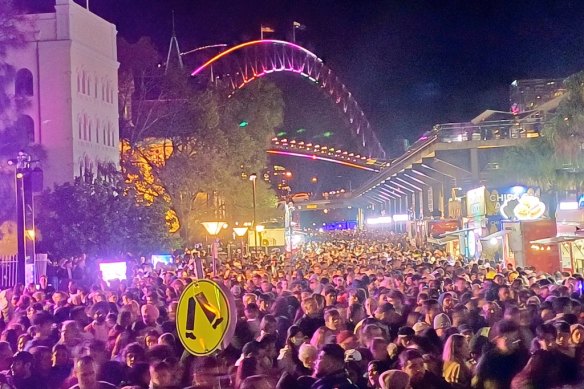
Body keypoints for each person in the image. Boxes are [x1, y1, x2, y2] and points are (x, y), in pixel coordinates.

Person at [472, 320, 529, 389]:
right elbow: (477, 382)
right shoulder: (489, 359)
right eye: (508, 340)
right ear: (498, 338)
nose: (513, 343)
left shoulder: (522, 355)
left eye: (515, 339)